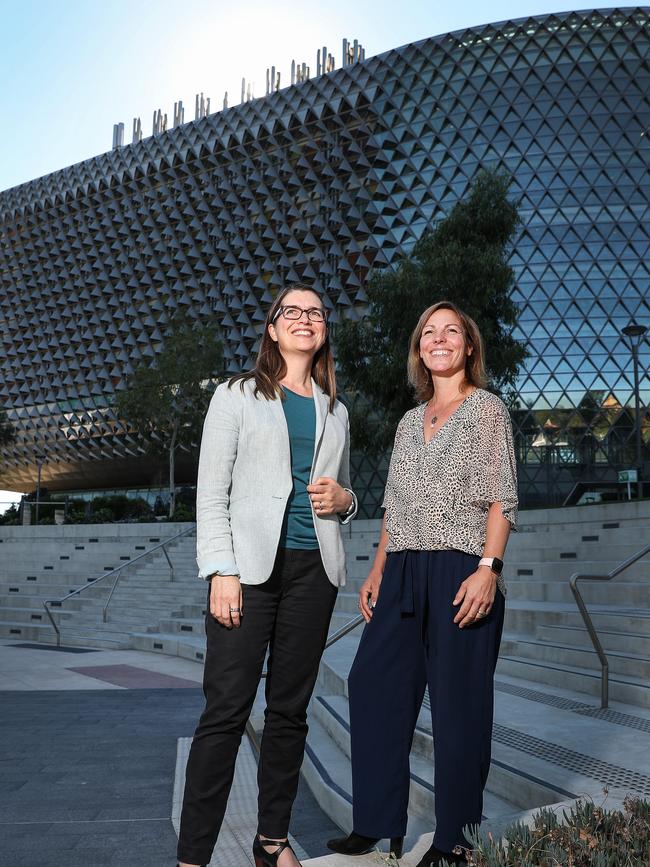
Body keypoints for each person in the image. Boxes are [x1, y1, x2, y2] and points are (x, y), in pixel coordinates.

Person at [327, 301, 517, 866]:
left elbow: (502, 497)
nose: (438, 339)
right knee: (370, 684)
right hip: (404, 570)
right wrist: (380, 567)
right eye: (428, 332)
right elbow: (396, 506)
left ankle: (455, 838)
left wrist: (490, 568)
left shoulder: (486, 409)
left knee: (459, 709)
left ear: (469, 347)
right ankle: (378, 823)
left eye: (450, 331)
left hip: (462, 569)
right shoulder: (410, 422)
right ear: (419, 350)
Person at [177, 284, 357, 867]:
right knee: (225, 711)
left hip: (315, 571)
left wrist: (346, 499)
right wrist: (221, 570)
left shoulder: (336, 410)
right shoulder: (236, 396)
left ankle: (271, 842)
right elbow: (211, 491)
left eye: (315, 313)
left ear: (323, 330)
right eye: (293, 312)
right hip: (248, 571)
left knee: (289, 712)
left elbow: (345, 492)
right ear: (273, 329)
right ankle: (192, 856)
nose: (306, 319)